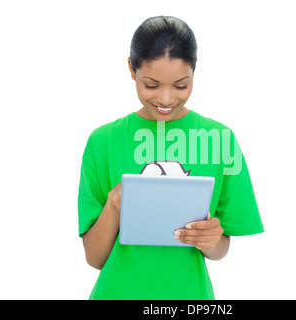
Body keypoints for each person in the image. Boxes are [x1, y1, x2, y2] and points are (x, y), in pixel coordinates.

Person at [78, 16, 264, 300]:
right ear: (131, 68)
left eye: (181, 85)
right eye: (151, 84)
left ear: (194, 72)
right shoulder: (102, 142)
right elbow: (94, 258)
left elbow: (220, 250)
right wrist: (115, 203)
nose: (166, 99)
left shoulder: (221, 140)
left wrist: (211, 239)